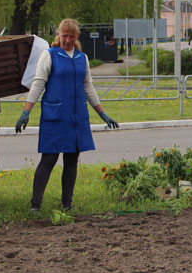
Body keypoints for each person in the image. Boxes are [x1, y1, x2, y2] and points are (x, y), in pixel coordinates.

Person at [15, 18, 118, 213]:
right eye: (64, 36)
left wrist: (102, 114)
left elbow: (88, 87)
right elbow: (38, 83)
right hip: (55, 117)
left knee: (71, 161)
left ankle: (67, 204)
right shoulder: (50, 55)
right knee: (49, 159)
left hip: (76, 118)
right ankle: (35, 206)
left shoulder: (82, 58)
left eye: (71, 36)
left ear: (77, 37)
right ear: (59, 35)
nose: (67, 40)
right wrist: (26, 111)